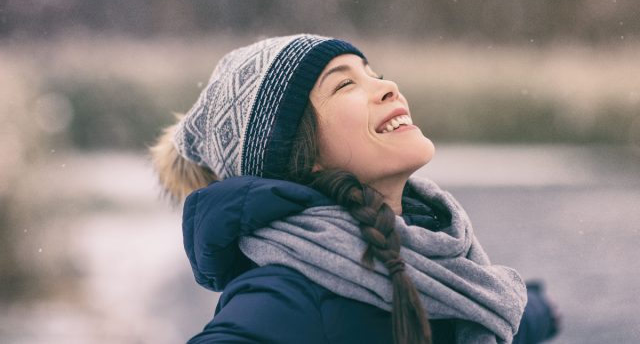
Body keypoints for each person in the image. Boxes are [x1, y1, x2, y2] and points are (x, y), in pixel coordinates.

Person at [150, 34, 559, 344]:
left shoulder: (447, 270)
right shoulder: (287, 296)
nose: (388, 87)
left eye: (374, 75)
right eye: (344, 85)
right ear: (298, 152)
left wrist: (539, 309)